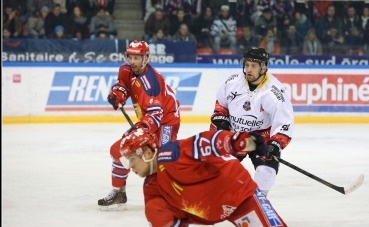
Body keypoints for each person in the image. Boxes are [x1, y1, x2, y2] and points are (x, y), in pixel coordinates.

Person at [120, 127, 288, 226]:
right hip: (214, 208)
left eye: (132, 159)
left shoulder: (171, 154)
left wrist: (235, 142)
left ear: (148, 152)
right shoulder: (152, 187)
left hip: (239, 194)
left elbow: (204, 142)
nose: (130, 166)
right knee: (154, 208)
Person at [97, 40, 181, 210]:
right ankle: (119, 192)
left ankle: (173, 196)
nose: (133, 61)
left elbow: (156, 115)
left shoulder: (152, 81)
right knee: (118, 150)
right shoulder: (126, 69)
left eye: (137, 57)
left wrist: (141, 130)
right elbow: (124, 85)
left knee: (163, 158)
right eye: (130, 57)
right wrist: (118, 93)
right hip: (146, 119)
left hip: (166, 120)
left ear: (146, 58)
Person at [209, 47, 294, 196]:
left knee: (266, 172)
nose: (249, 69)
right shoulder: (233, 82)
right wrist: (221, 120)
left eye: (254, 66)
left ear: (264, 68)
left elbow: (284, 123)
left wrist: (275, 143)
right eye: (247, 64)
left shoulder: (274, 92)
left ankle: (260, 201)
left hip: (261, 138)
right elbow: (221, 105)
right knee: (212, 169)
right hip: (235, 133)